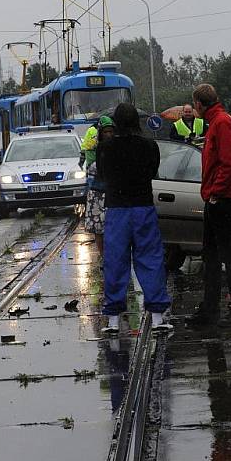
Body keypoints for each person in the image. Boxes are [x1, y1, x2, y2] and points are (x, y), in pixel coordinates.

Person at [97, 103, 172, 333]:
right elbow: (152, 172)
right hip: (142, 207)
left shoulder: (105, 148)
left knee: (115, 261)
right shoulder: (149, 145)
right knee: (150, 258)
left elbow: (102, 174)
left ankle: (112, 318)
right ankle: (158, 316)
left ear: (117, 122)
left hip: (117, 208)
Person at [189, 83, 231, 328]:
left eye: (194, 103)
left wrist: (215, 192)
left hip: (222, 198)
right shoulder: (217, 122)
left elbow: (230, 162)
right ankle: (210, 308)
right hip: (218, 197)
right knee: (213, 255)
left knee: (229, 255)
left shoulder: (221, 123)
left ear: (199, 103)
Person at [83, 116, 114, 258]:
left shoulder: (117, 147)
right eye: (105, 132)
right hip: (96, 193)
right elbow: (90, 167)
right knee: (98, 229)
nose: (108, 135)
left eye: (110, 131)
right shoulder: (94, 146)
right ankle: (103, 257)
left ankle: (112, 255)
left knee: (112, 228)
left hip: (111, 193)